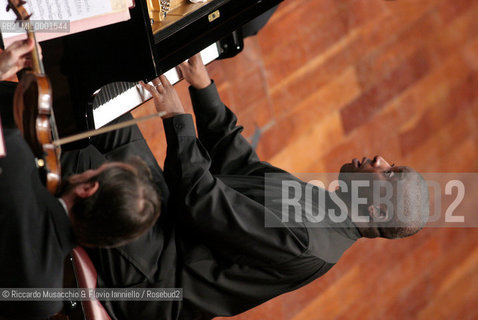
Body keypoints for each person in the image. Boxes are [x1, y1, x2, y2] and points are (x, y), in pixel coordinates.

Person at [82, 53, 429, 320]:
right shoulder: (325, 211)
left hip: (153, 279)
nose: (382, 159)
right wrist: (203, 89)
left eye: (391, 172)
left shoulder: (307, 240)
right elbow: (241, 166)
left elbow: (200, 200)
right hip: (166, 226)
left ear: (377, 209)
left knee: (80, 158)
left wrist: (177, 119)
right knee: (99, 105)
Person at [0, 40, 162, 319]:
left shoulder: (15, 156)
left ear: (87, 188)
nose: (86, 170)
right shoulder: (45, 302)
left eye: (93, 172)